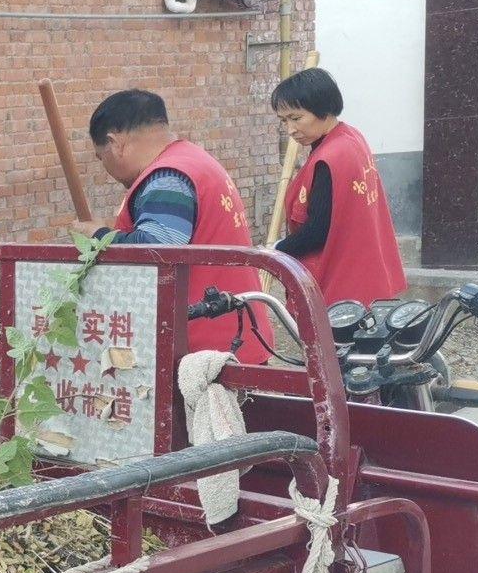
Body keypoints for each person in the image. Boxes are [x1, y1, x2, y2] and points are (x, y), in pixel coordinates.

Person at [87, 89, 273, 363]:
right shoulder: (193, 160)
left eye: (101, 157)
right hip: (237, 334)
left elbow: (157, 251)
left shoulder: (167, 178)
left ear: (115, 143)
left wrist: (99, 236)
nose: (106, 167)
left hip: (207, 352)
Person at [270, 67, 408, 305]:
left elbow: (317, 232)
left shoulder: (331, 158)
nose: (290, 130)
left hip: (343, 282)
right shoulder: (351, 138)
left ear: (323, 107)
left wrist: (275, 250)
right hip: (368, 272)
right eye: (284, 121)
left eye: (296, 118)